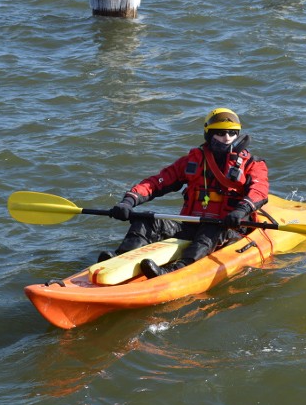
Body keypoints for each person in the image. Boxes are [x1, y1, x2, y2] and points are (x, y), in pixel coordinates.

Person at [100, 108, 269, 278]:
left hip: (228, 229)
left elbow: (259, 191)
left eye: (232, 133)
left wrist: (240, 211)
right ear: (209, 134)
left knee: (211, 229)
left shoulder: (252, 164)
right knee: (146, 220)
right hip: (191, 223)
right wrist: (129, 201)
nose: (227, 138)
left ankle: (176, 270)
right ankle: (121, 259)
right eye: (220, 133)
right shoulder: (192, 160)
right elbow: (157, 182)